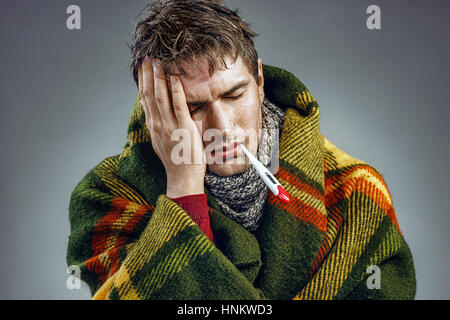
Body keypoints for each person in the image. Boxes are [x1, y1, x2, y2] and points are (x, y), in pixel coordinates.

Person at [66, 0, 416, 300]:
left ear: (259, 81)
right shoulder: (104, 196)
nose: (223, 127)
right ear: (154, 111)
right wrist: (184, 189)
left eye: (234, 95)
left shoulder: (356, 191)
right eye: (193, 108)